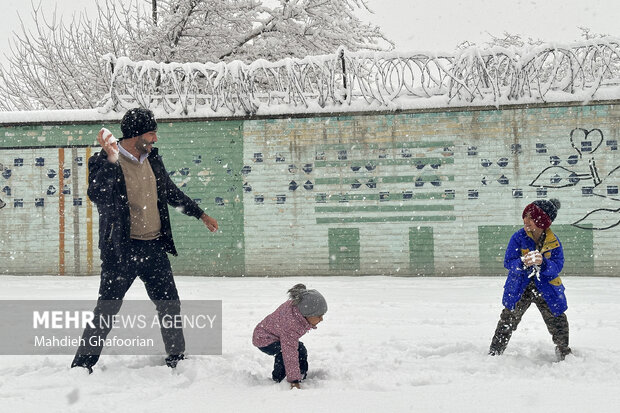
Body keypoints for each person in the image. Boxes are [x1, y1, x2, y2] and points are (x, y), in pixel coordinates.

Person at [71, 108, 218, 373]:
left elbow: (170, 192)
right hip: (121, 251)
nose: (155, 139)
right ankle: (82, 365)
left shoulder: (153, 160)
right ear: (136, 135)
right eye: (152, 134)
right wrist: (110, 158)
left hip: (153, 248)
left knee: (169, 304)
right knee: (106, 310)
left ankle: (176, 358)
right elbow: (97, 194)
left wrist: (200, 214)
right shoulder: (104, 162)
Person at [489, 198, 571, 361]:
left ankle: (564, 352)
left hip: (547, 288)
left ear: (542, 221)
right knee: (508, 319)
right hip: (520, 286)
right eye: (525, 216)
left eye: (531, 217)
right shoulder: (518, 237)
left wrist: (544, 263)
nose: (526, 220)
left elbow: (557, 265)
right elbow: (508, 261)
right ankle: (495, 352)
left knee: (558, 318)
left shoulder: (553, 241)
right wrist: (522, 262)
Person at [253, 284, 327, 389]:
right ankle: (279, 379)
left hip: (275, 334)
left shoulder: (298, 310)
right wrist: (294, 380)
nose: (321, 319)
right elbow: (289, 353)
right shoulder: (291, 325)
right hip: (264, 339)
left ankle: (301, 374)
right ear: (308, 313)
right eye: (319, 316)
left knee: (299, 349)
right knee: (286, 352)